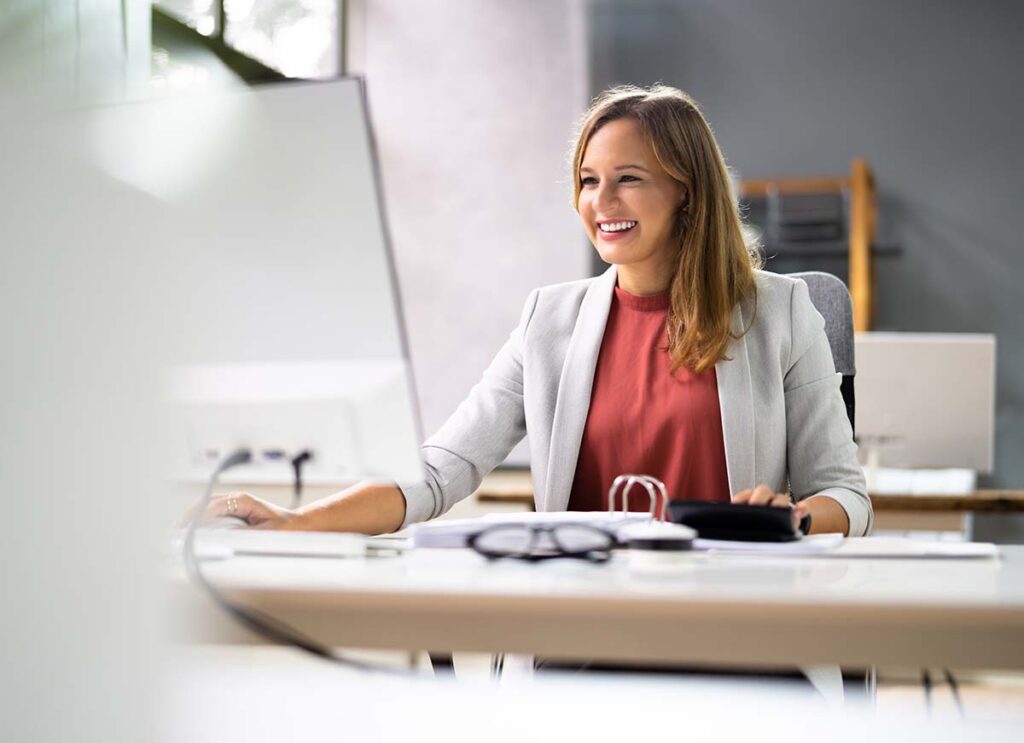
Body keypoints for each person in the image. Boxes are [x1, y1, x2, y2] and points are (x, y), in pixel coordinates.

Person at [201, 84, 872, 538]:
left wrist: (795, 518)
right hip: (580, 626)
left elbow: (847, 494)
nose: (600, 201)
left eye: (628, 179)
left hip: (736, 621)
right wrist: (296, 522)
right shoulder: (548, 320)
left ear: (686, 192)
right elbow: (438, 472)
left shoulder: (782, 312)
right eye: (587, 181)